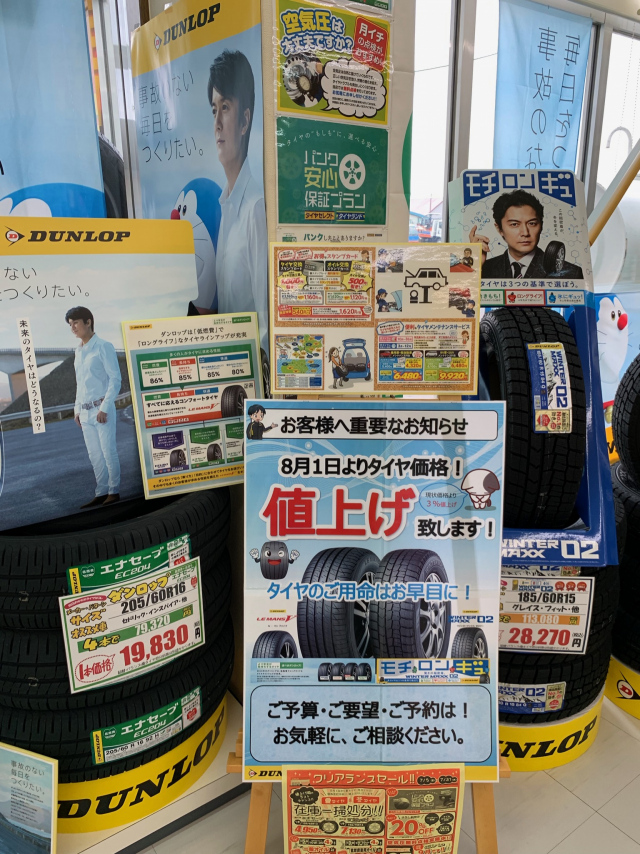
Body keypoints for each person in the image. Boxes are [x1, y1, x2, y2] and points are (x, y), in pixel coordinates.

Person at [208, 50, 268, 350]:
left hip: (254, 374)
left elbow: (266, 326)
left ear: (245, 121)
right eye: (214, 110)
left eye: (226, 107)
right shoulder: (227, 206)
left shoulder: (256, 209)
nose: (217, 123)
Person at [66, 306, 121, 508]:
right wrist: (77, 410)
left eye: (76, 322)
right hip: (85, 411)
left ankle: (114, 491)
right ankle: (101, 492)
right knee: (95, 456)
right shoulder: (78, 351)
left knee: (108, 452)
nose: (73, 327)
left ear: (88, 322)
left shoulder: (103, 346)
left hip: (101, 409)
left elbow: (115, 379)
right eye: (70, 324)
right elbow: (80, 384)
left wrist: (105, 407)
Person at [469, 189, 583, 279]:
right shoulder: (483, 269)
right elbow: (461, 300)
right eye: (514, 224)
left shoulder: (571, 273)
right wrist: (472, 265)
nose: (525, 233)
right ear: (499, 229)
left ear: (541, 225)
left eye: (532, 223)